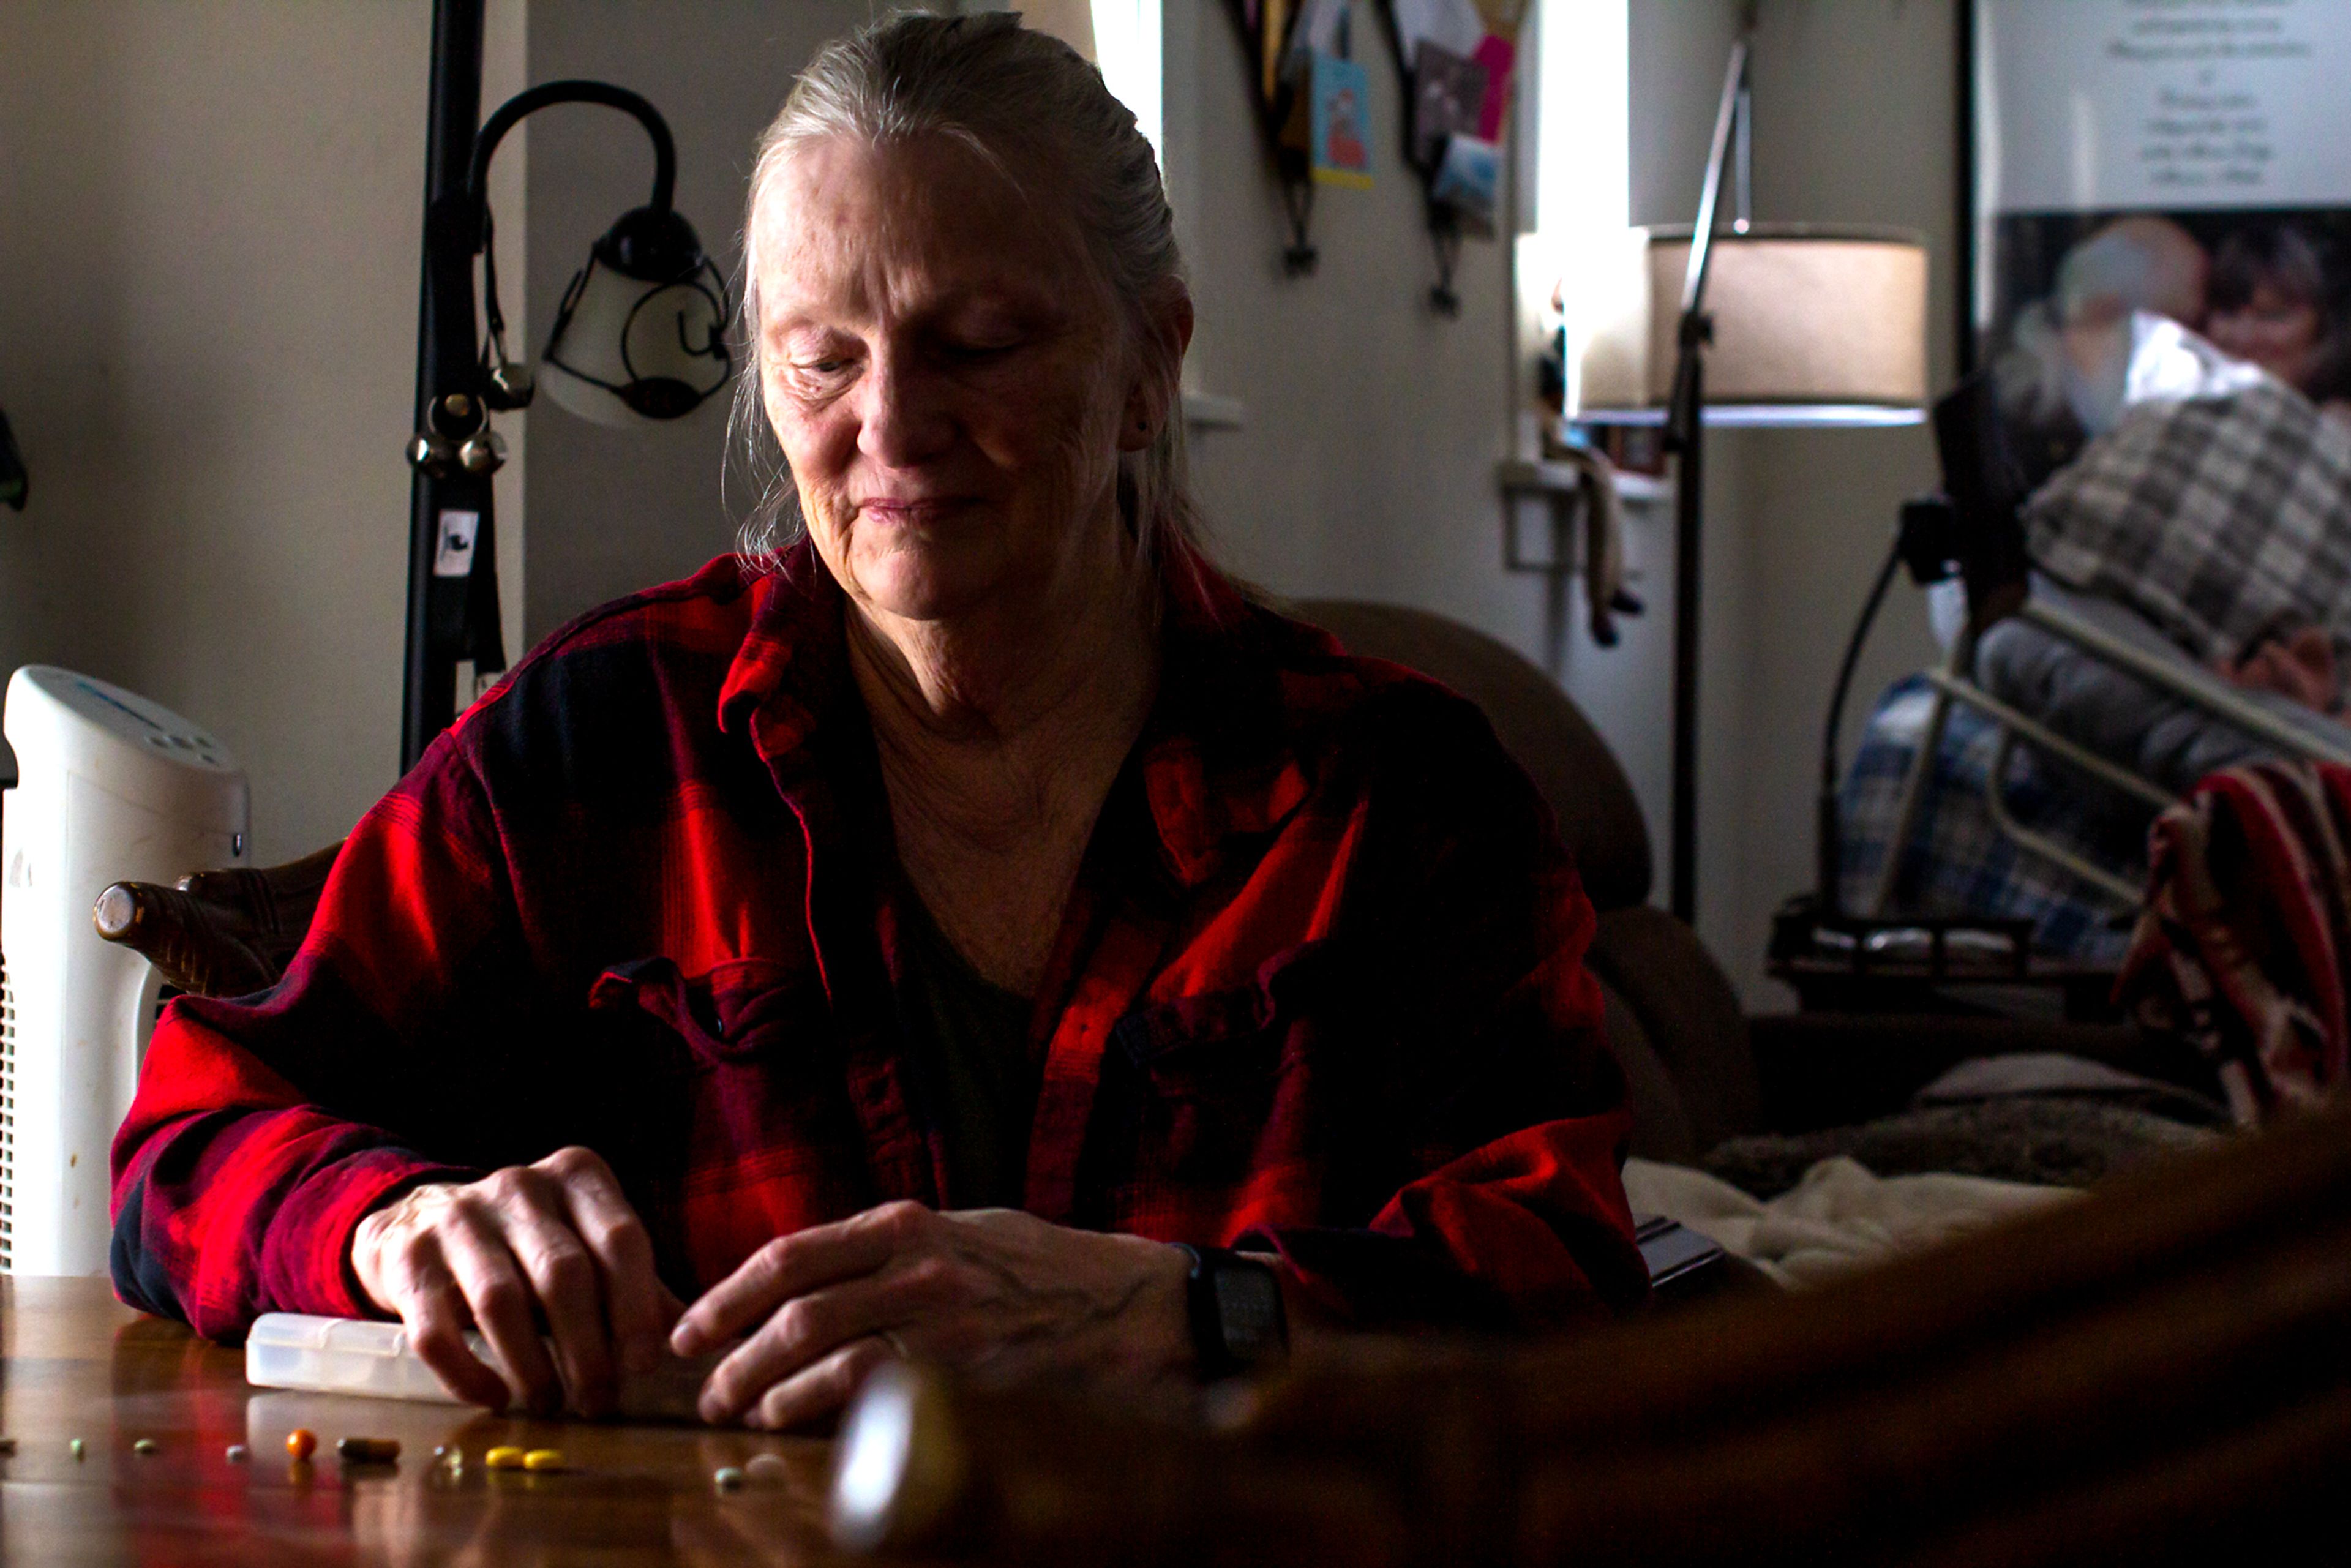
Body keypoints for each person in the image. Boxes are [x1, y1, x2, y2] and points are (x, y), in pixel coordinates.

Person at [110, 13, 1645, 1431]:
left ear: (1145, 369)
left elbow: (1571, 1269)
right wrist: (396, 1224)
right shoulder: (603, 740)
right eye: (820, 358)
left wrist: (1198, 1311)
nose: (891, 429)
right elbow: (183, 1143)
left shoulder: (1397, 793)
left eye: (978, 345)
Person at [2203, 222, 2351, 428]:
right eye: (2228, 311)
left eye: (2272, 316)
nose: (2242, 336)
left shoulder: (2336, 434)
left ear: (2328, 327)